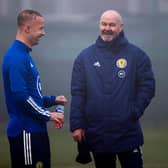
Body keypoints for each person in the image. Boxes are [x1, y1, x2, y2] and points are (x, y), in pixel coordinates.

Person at [70, 10, 155, 168]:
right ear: (99, 25)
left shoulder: (137, 55)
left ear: (121, 27)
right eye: (104, 24)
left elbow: (147, 87)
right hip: (98, 133)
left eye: (111, 24)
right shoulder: (85, 57)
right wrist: (76, 124)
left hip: (127, 132)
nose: (107, 28)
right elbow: (78, 93)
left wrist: (134, 111)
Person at [2, 9, 67, 168]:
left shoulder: (24, 55)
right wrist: (48, 115)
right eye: (41, 28)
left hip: (34, 130)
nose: (43, 33)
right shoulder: (16, 57)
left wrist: (53, 100)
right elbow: (20, 96)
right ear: (27, 28)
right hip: (26, 132)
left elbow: (31, 97)